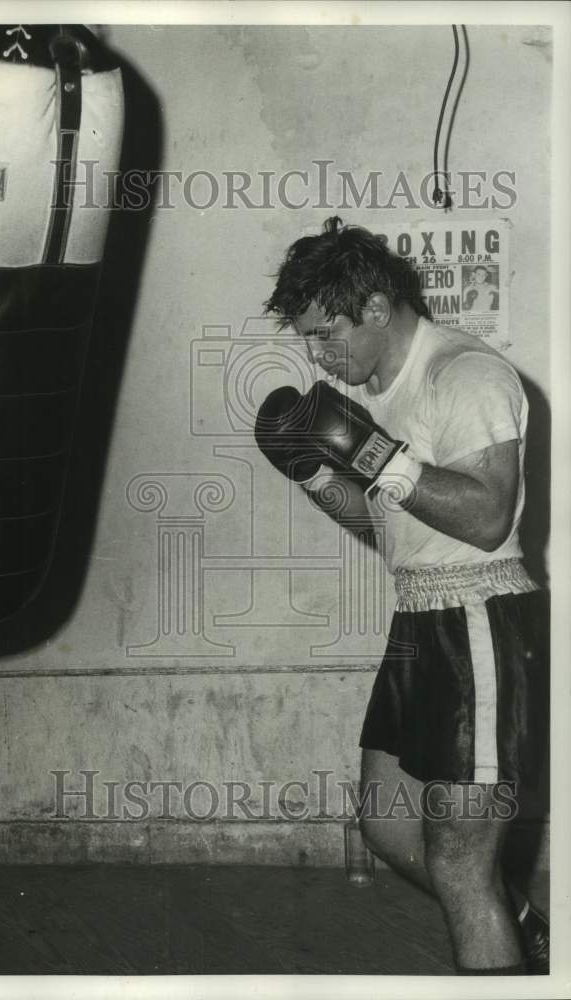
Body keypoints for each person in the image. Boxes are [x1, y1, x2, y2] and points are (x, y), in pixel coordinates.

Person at [256, 219, 549, 975]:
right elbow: (386, 526)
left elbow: (486, 518)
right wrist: (315, 474)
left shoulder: (467, 375)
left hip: (480, 620)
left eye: (327, 335)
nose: (318, 356)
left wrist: (375, 453)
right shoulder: (377, 389)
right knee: (388, 828)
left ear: (378, 307)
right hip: (417, 618)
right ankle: (517, 921)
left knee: (458, 857)